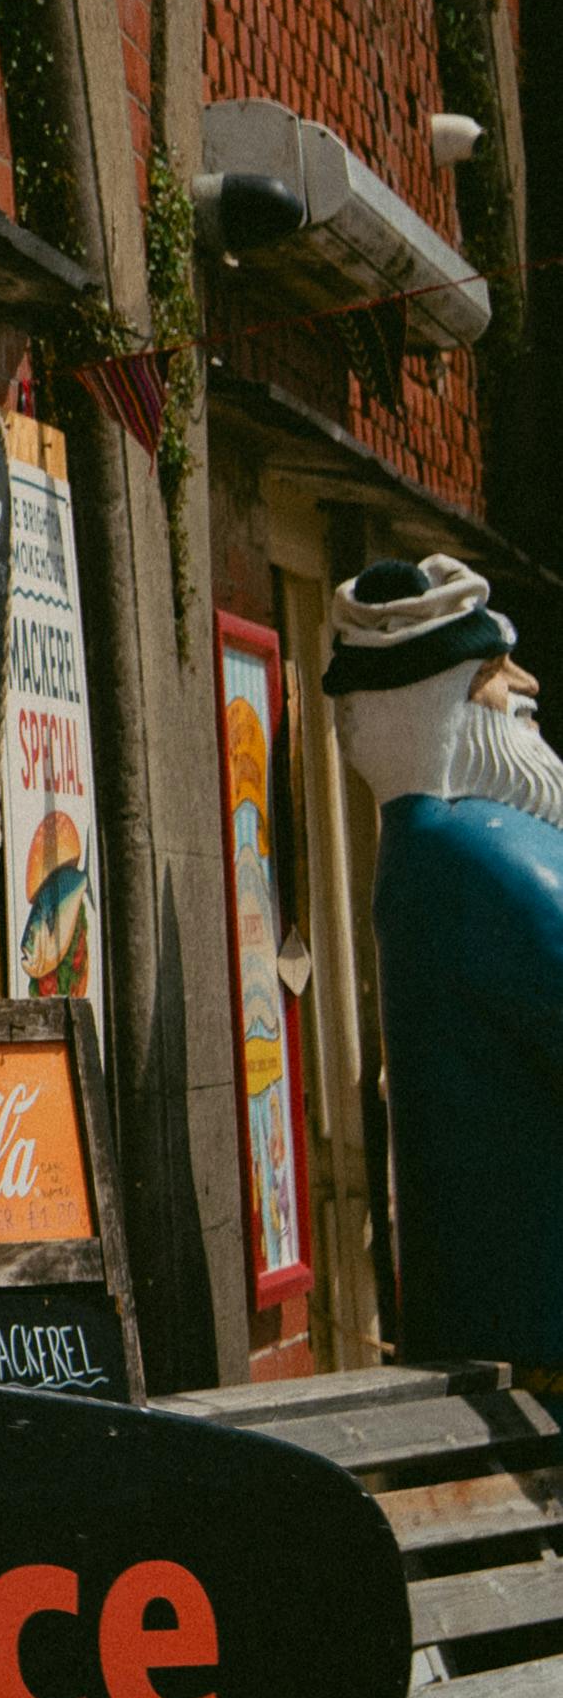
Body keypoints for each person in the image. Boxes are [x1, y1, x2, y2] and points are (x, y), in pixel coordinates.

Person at [330, 554, 563, 1367]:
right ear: (440, 701)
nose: (527, 685)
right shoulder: (472, 853)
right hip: (532, 1328)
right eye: (498, 673)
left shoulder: (441, 850)